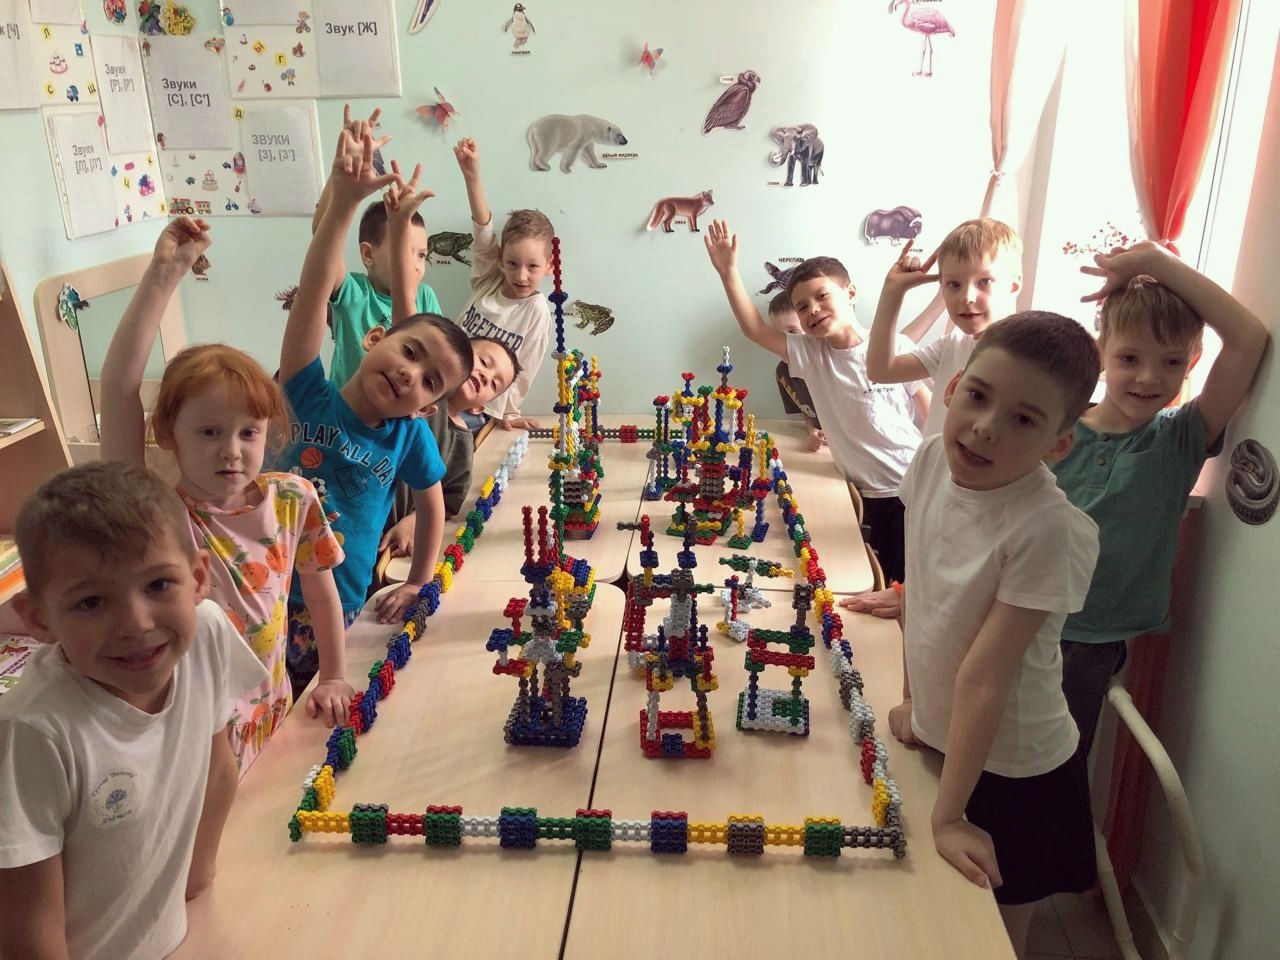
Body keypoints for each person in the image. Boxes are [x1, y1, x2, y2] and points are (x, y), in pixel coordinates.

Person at [99, 217, 352, 776]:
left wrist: (333, 674)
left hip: (274, 712)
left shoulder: (292, 498)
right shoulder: (159, 515)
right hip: (196, 737)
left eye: (248, 433)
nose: (231, 451)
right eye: (209, 432)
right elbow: (118, 391)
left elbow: (321, 593)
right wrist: (165, 275)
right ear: (169, 435)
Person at [891, 311, 1102, 958]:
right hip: (946, 738)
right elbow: (923, 593)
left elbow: (985, 679)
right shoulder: (932, 459)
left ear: (1057, 445)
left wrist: (950, 816)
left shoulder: (1048, 529)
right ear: (953, 388)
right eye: (979, 396)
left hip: (1015, 772)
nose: (986, 427)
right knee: (927, 924)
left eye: (1023, 420)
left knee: (994, 941)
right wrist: (915, 706)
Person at [0, 461, 268, 960]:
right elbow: (27, 932)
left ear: (198, 578)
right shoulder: (33, 730)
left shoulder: (206, 633)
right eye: (91, 602)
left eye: (158, 585)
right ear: (38, 618)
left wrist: (197, 880)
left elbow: (217, 766)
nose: (136, 623)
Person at [273, 125, 471, 699]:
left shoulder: (407, 437)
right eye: (409, 353)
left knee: (315, 723)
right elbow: (314, 287)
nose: (411, 375)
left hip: (338, 609)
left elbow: (433, 506)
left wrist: (419, 582)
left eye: (429, 382)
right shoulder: (307, 391)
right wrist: (342, 203)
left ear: (428, 406)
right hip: (262, 593)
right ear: (374, 337)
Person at [1051, 242, 1268, 758]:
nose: (1149, 378)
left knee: (1059, 764)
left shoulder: (1180, 437)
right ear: (1101, 351)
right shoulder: (1054, 428)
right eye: (1129, 358)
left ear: (1192, 362)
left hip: (1093, 640)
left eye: (1171, 362)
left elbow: (1248, 337)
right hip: (1019, 615)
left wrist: (1155, 262)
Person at [704, 218, 929, 584]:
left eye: (822, 296)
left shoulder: (895, 345)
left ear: (850, 293)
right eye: (802, 306)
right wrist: (728, 272)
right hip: (860, 490)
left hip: (910, 485)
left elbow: (930, 411)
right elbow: (755, 329)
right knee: (878, 575)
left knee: (905, 582)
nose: (812, 310)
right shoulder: (811, 354)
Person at [844, 218, 1023, 617]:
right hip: (936, 490)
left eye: (985, 282)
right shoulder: (953, 344)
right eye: (952, 284)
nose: (967, 297)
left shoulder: (1025, 355)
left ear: (1014, 285)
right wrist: (892, 293)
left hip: (979, 504)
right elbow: (880, 369)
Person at [312, 106, 444, 389]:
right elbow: (323, 236)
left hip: (397, 410)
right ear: (368, 254)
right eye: (404, 251)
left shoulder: (425, 296)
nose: (415, 265)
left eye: (422, 255)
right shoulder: (353, 292)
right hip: (347, 410)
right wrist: (340, 179)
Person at [379, 336, 520, 559]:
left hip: (387, 538)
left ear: (479, 408)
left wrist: (414, 520)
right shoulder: (419, 396)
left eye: (494, 384)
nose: (486, 376)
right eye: (484, 362)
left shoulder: (462, 442)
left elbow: (450, 498)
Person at [453, 136, 554, 431]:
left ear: (549, 267)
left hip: (477, 408)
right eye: (512, 264)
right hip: (443, 383)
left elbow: (526, 366)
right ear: (500, 259)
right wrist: (472, 177)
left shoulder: (536, 310)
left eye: (532, 267)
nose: (520, 276)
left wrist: (508, 413)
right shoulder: (490, 278)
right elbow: (483, 231)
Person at [766, 291, 827, 452]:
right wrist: (812, 430)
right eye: (776, 334)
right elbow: (807, 413)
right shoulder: (783, 373)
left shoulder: (832, 367)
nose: (783, 341)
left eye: (793, 332)